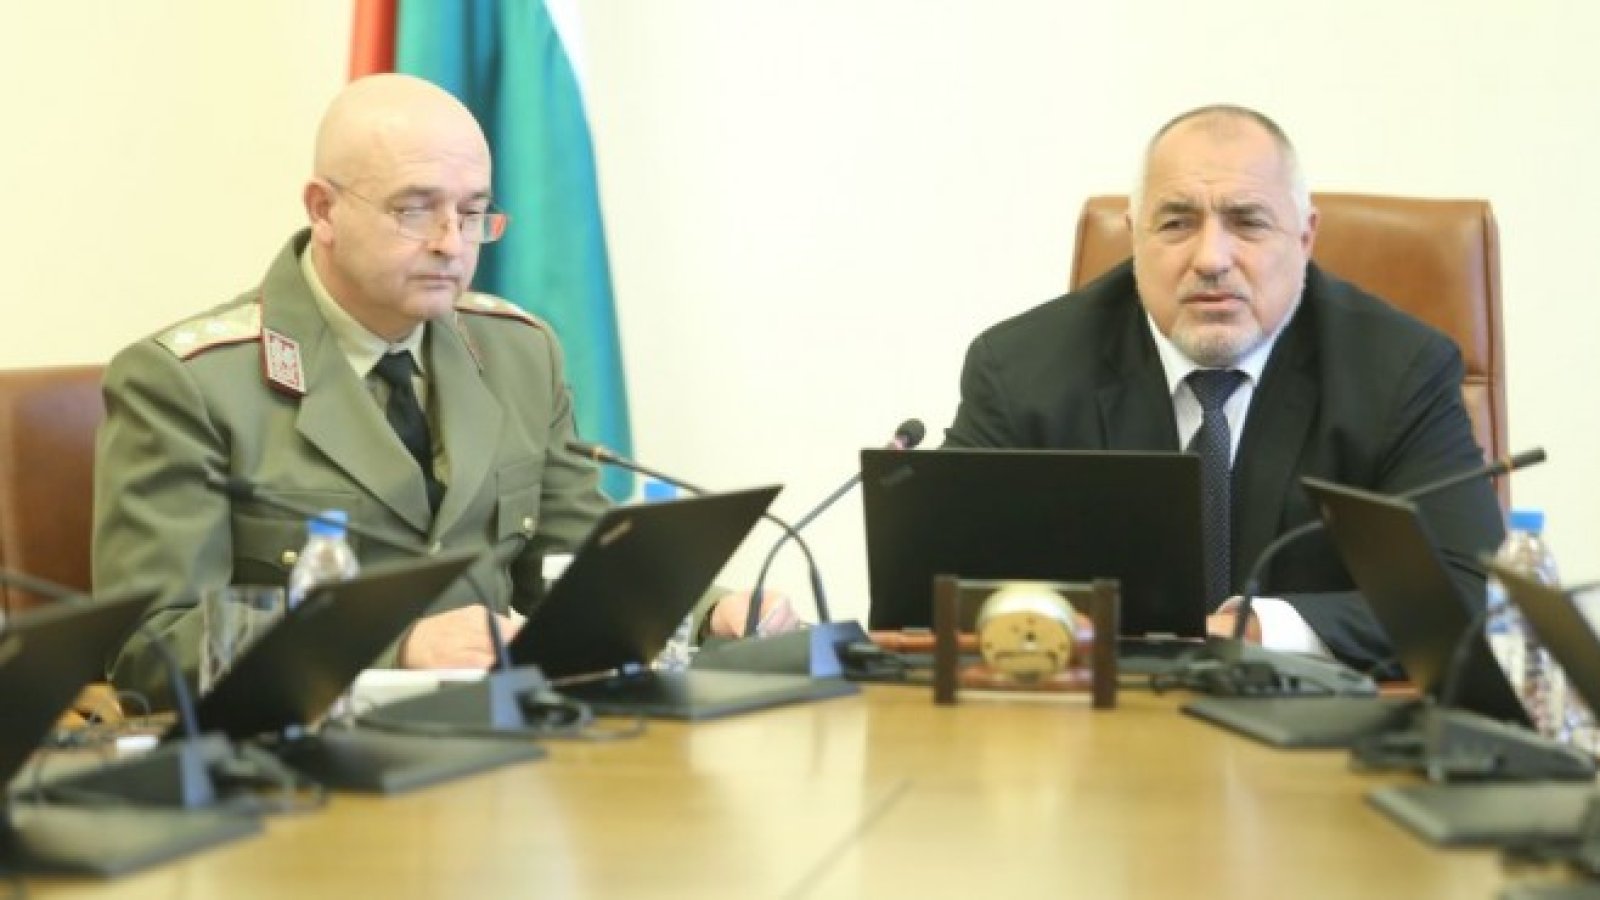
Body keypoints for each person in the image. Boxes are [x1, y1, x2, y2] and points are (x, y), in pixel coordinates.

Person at [94, 74, 794, 705]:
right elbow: (151, 646)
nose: (451, 243)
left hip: (502, 747)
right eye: (414, 210)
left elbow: (577, 554)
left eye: (472, 213)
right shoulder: (190, 383)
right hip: (303, 764)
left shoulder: (520, 353)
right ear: (324, 209)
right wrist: (396, 646)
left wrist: (710, 609)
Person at [944, 104, 1503, 673]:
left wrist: (1247, 631)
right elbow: (941, 583)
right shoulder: (1019, 372)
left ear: (1305, 236)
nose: (1211, 258)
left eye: (1248, 221)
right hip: (1097, 710)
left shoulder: (1399, 373)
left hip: (1313, 717)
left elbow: (1467, 595)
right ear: (1135, 237)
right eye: (1177, 223)